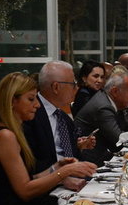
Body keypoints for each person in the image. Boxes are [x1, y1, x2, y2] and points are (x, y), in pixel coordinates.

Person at [0, 72, 96, 205]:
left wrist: (56, 167)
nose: (37, 105)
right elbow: (25, 191)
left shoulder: (11, 132)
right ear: (12, 101)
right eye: (31, 99)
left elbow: (28, 178)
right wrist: (64, 173)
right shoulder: (5, 136)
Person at [23, 61, 97, 192]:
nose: (76, 88)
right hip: (48, 188)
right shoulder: (30, 116)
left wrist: (79, 146)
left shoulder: (62, 116)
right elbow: (33, 165)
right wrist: (62, 178)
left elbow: (68, 153)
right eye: (73, 84)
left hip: (73, 180)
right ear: (56, 87)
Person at [74, 72, 128, 165]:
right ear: (115, 91)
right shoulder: (103, 107)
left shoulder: (113, 102)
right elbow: (119, 140)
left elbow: (127, 126)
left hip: (106, 154)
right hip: (93, 162)